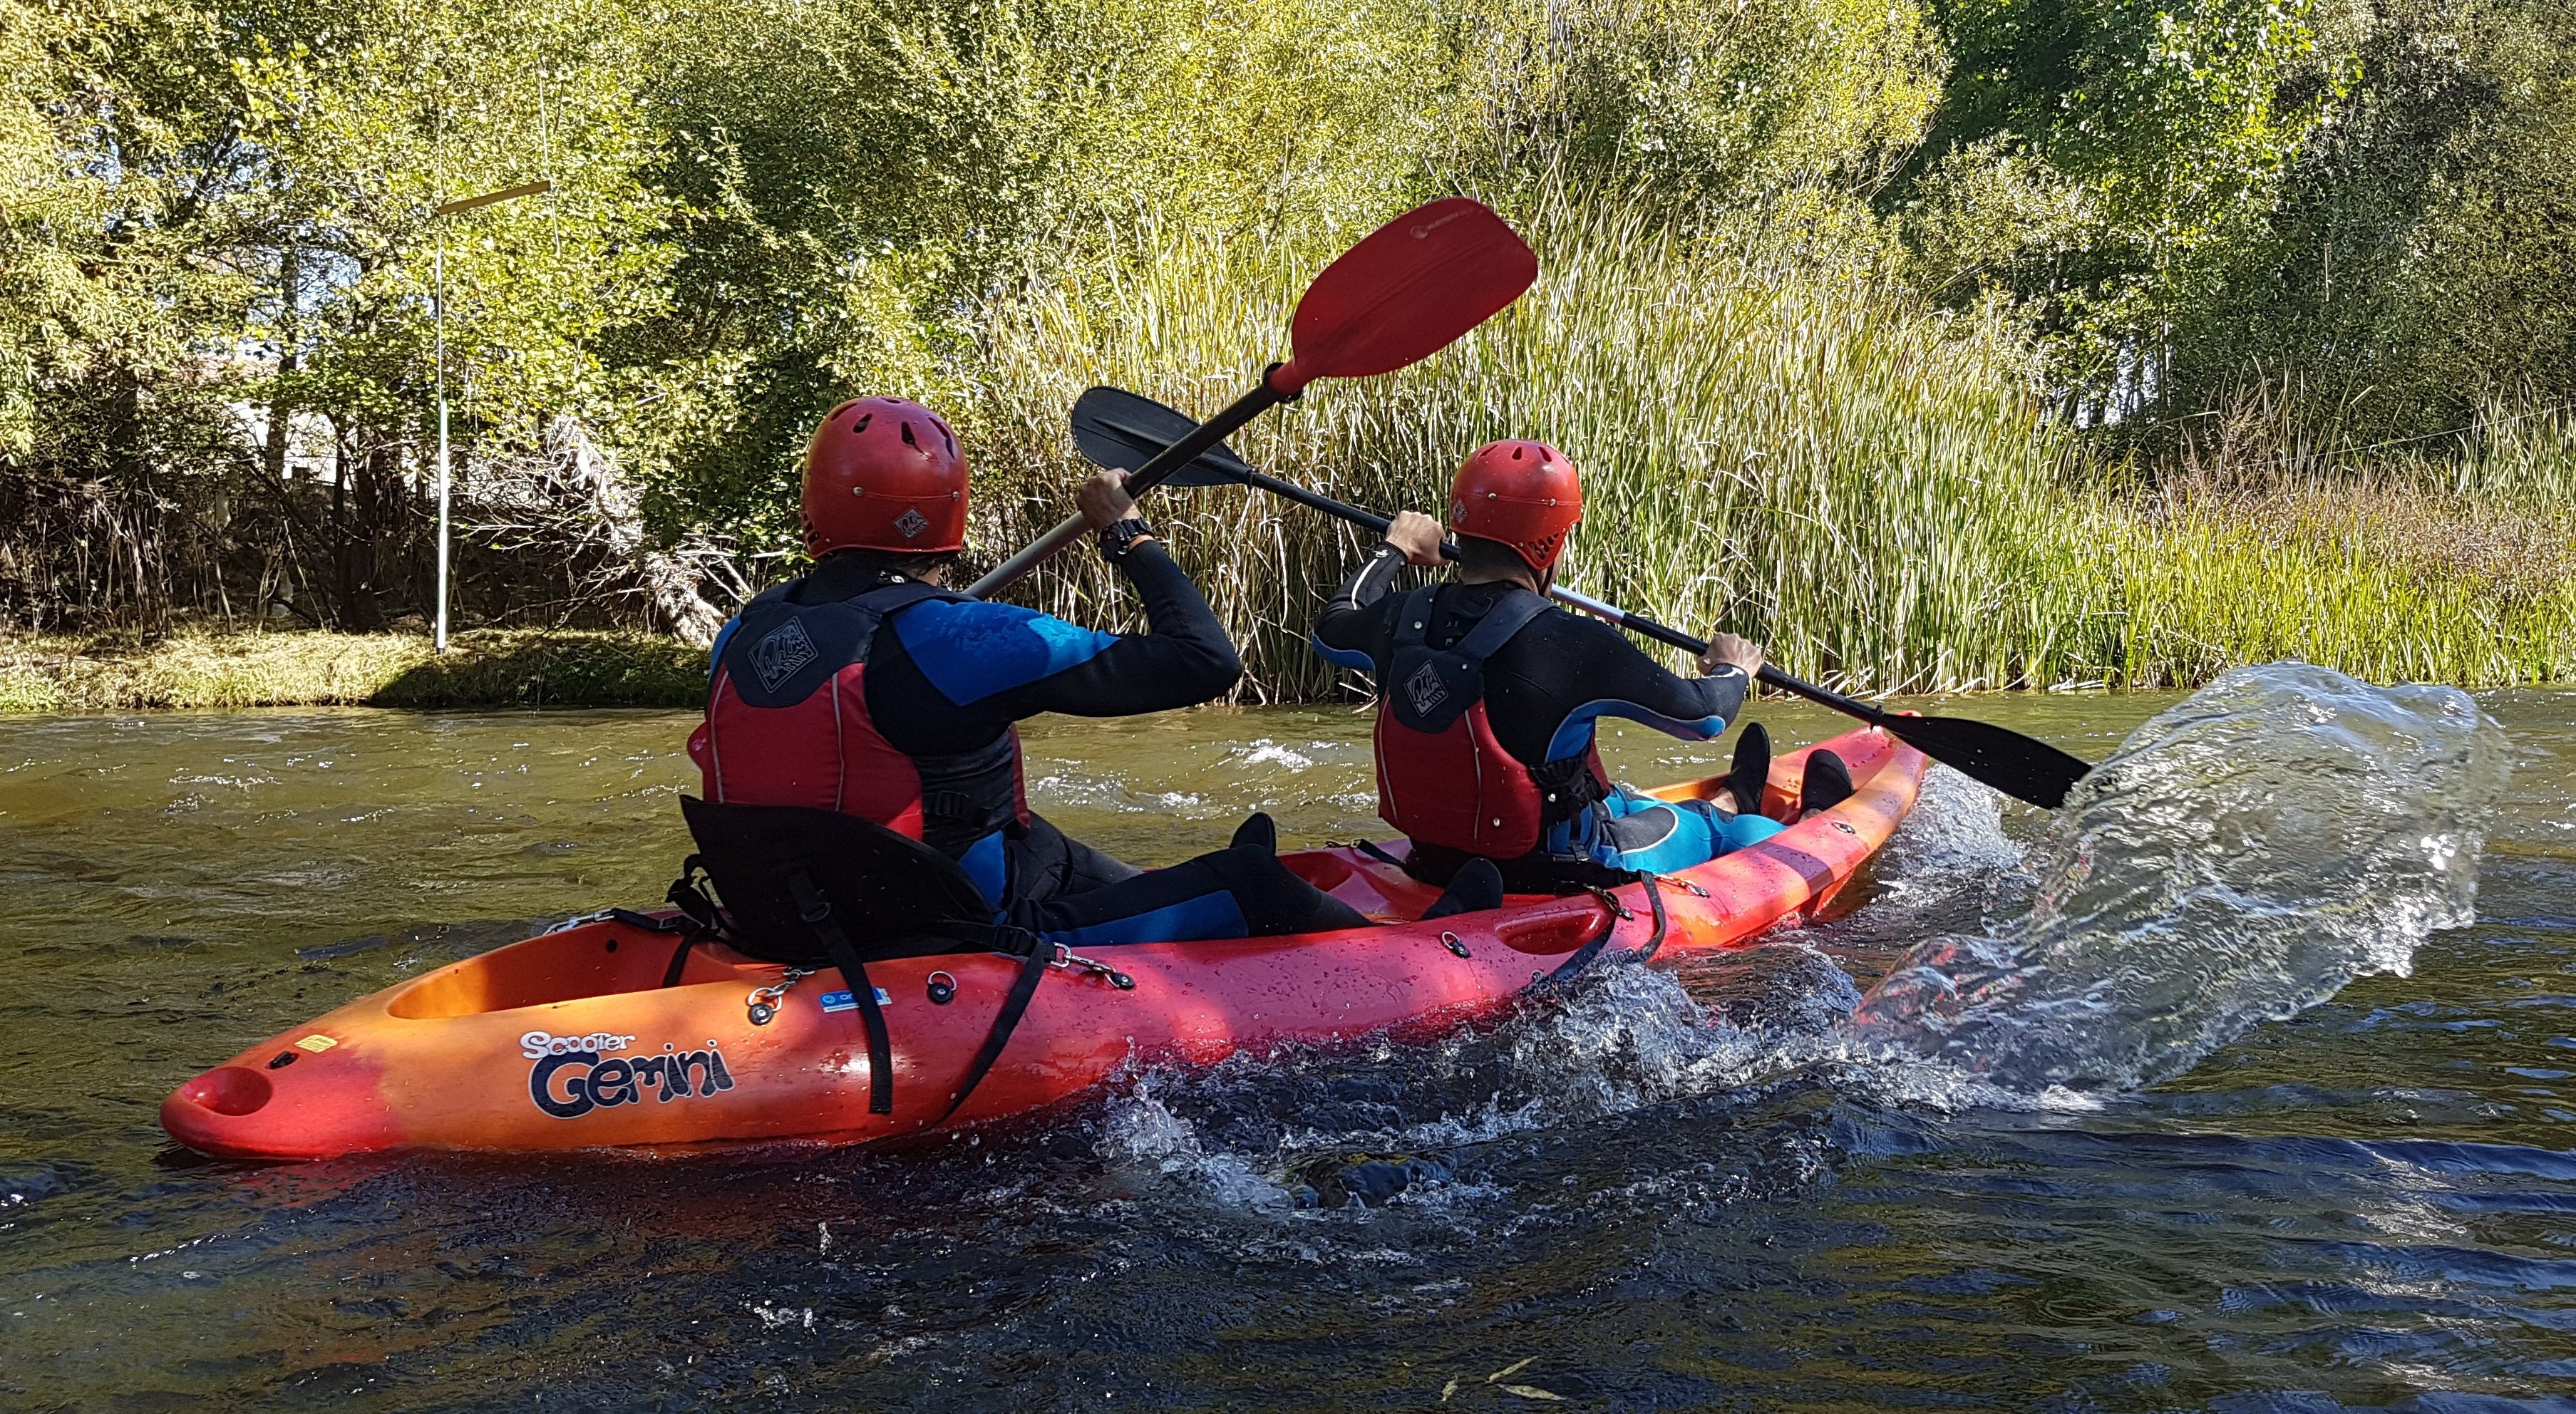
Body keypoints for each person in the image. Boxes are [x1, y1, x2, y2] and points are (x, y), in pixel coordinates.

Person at [689, 396, 1369, 945]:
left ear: (816, 506)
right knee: (1253, 883)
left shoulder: (744, 633)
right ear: (950, 511)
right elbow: (1207, 661)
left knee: (1045, 845)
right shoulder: (960, 636)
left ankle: (1184, 895)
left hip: (797, 915)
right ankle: (1359, 940)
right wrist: (1125, 531)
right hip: (951, 932)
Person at [1312, 438, 1853, 906]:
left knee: (1621, 798)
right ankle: (1796, 820)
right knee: (1720, 832)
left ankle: (1735, 794)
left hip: (1435, 861)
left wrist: (1395, 549)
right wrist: (1733, 669)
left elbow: (1332, 625)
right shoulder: (1569, 640)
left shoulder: (1401, 618)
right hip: (1558, 872)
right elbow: (1705, 718)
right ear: (1550, 544)